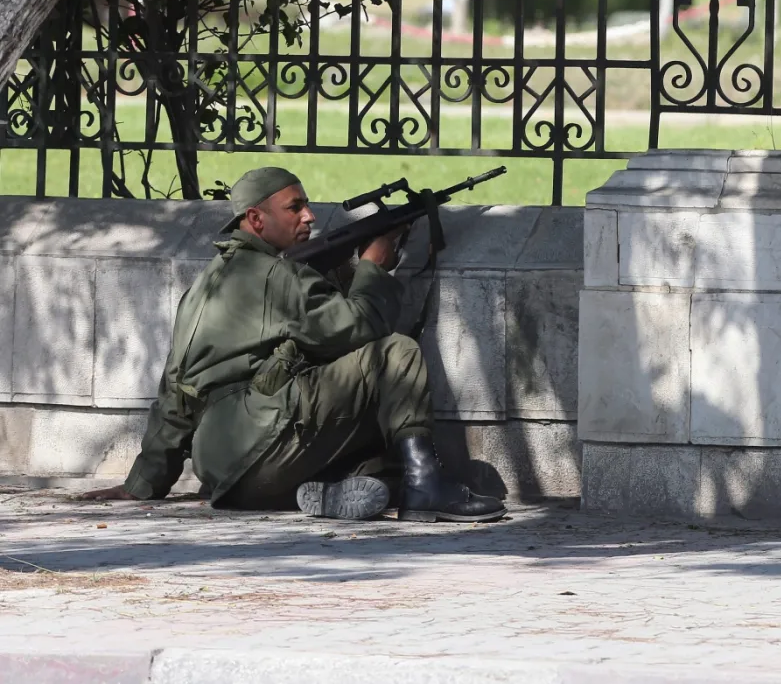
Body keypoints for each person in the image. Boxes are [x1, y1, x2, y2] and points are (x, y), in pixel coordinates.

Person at [79, 167, 506, 523]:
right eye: (294, 208)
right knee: (396, 354)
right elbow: (363, 327)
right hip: (262, 444)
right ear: (256, 219)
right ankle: (425, 488)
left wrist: (144, 485)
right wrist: (373, 267)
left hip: (225, 474)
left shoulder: (205, 285)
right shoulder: (280, 278)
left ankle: (342, 491)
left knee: (376, 451)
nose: (308, 218)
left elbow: (176, 391)